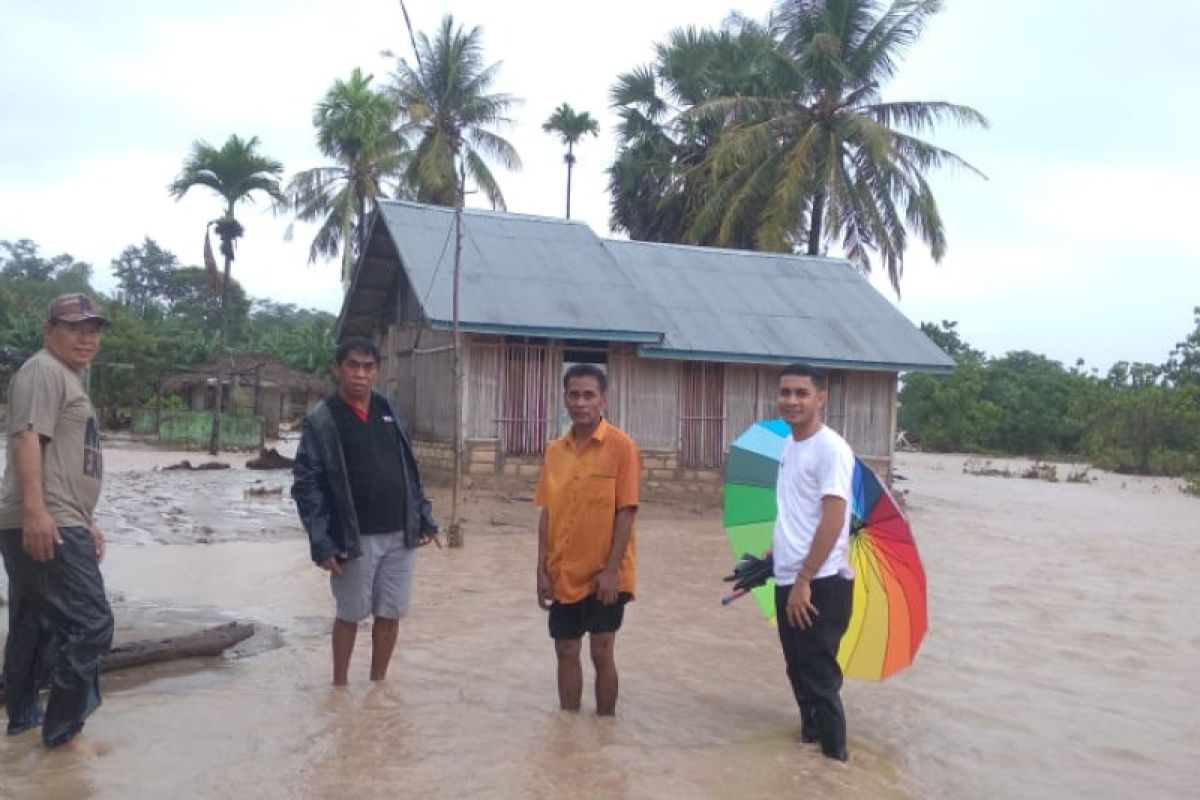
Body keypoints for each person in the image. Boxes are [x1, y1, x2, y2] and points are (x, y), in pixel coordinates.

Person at [0, 293, 114, 749]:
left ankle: (23, 721)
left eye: (93, 330)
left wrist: (82, 519)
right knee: (92, 624)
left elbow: (62, 457)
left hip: (57, 516)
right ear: (50, 332)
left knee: (34, 623)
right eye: (74, 328)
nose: (86, 338)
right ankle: (63, 736)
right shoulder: (44, 371)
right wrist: (37, 512)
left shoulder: (62, 376)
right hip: (46, 519)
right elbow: (27, 439)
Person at [291, 337, 438, 686]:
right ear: (338, 369)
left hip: (400, 533)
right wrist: (322, 542)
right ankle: (339, 687)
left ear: (377, 372)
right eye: (353, 366)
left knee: (391, 612)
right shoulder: (323, 419)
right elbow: (307, 484)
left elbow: (408, 468)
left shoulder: (390, 410)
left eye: (368, 367)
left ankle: (377, 686)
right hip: (353, 537)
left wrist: (423, 516)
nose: (361, 374)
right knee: (350, 614)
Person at [535, 364, 640, 716]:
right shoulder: (554, 451)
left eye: (588, 395)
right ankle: (568, 730)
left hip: (605, 573)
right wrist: (541, 572)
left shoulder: (622, 447)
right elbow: (547, 512)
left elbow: (626, 512)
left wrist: (611, 572)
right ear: (564, 399)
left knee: (601, 650)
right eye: (574, 395)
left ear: (603, 400)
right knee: (565, 649)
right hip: (562, 570)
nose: (580, 403)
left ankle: (605, 728)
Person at [771, 362, 856, 762]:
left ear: (821, 398)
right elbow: (796, 512)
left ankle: (835, 766)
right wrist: (776, 554)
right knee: (797, 672)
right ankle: (809, 767)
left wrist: (804, 577)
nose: (792, 400)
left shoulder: (832, 449)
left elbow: (834, 517)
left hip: (819, 581)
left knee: (820, 680)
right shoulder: (789, 445)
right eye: (785, 392)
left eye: (801, 393)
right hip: (790, 576)